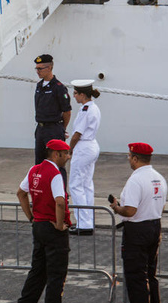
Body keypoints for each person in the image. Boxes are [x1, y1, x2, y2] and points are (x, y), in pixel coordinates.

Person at [110, 143, 167, 303]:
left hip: (136, 231)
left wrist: (116, 208)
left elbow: (130, 211)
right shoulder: (159, 178)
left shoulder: (136, 180)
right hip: (154, 226)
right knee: (150, 274)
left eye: (129, 156)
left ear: (135, 158)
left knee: (136, 278)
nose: (128, 159)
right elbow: (162, 206)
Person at [16, 139, 71, 303]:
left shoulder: (34, 170)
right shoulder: (55, 174)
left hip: (39, 225)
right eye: (66, 154)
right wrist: (60, 225)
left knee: (37, 271)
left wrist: (31, 217)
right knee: (56, 275)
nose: (68, 157)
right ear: (56, 154)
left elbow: (21, 193)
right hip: (53, 228)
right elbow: (60, 202)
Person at [67, 80, 101, 236]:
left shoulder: (85, 110)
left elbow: (77, 135)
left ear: (82, 94)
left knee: (75, 185)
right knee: (87, 185)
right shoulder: (94, 108)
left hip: (83, 148)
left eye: (75, 93)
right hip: (91, 145)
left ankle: (83, 224)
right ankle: (88, 222)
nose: (74, 96)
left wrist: (69, 150)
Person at [32, 54, 72, 184]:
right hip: (41, 129)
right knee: (39, 163)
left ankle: (60, 192)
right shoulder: (39, 86)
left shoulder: (58, 88)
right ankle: (41, 190)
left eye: (40, 68)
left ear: (49, 68)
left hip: (54, 129)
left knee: (57, 163)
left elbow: (67, 111)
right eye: (36, 68)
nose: (37, 71)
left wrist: (61, 128)